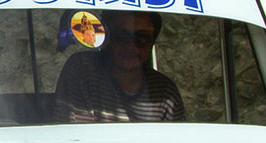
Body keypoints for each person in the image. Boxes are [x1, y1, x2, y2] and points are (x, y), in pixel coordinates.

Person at [52, 10, 187, 123]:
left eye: (142, 39)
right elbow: (74, 138)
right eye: (121, 36)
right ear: (108, 38)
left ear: (152, 43)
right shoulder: (82, 70)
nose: (130, 47)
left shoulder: (165, 92)